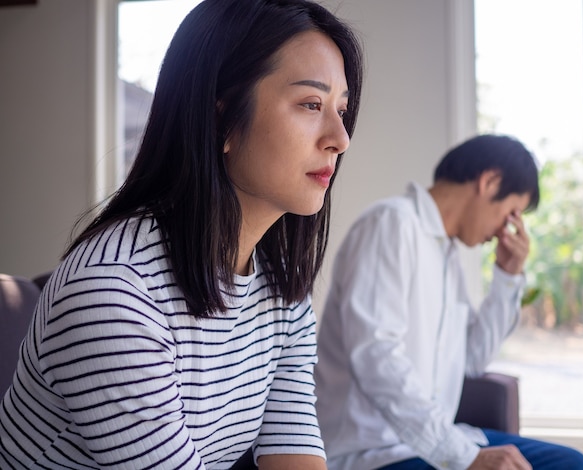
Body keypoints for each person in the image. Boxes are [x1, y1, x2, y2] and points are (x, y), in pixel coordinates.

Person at [0, 0, 363, 468]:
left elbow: (293, 448)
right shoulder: (114, 292)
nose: (341, 137)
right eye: (311, 104)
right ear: (222, 118)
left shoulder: (281, 284)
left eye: (341, 109)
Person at [314, 134, 583, 470]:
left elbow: (472, 359)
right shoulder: (392, 223)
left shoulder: (446, 253)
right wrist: (463, 455)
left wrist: (507, 277)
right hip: (373, 453)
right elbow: (377, 357)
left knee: (572, 464)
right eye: (511, 213)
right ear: (490, 182)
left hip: (435, 444)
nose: (507, 230)